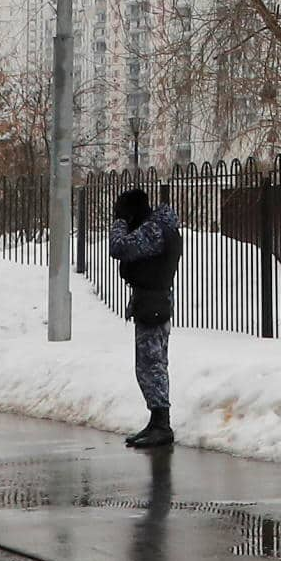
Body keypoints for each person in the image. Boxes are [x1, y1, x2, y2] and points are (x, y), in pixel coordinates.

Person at [109, 186, 181, 450]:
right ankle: (156, 421)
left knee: (151, 365)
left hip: (153, 301)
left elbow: (120, 247)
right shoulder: (160, 227)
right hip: (152, 300)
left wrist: (120, 222)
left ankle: (161, 425)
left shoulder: (154, 230)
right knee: (150, 364)